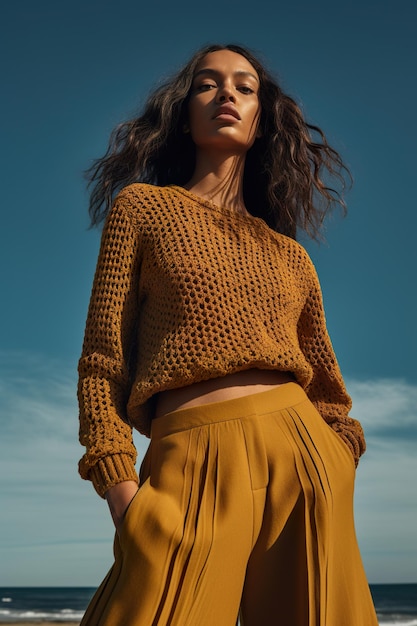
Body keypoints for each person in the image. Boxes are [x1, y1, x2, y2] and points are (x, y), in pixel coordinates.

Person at [78, 43, 378, 626]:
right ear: (183, 112)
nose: (226, 95)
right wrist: (121, 491)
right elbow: (101, 361)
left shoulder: (290, 255)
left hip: (306, 464)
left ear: (262, 119)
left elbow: (329, 393)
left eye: (244, 87)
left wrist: (338, 459)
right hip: (188, 458)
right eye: (207, 84)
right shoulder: (144, 210)